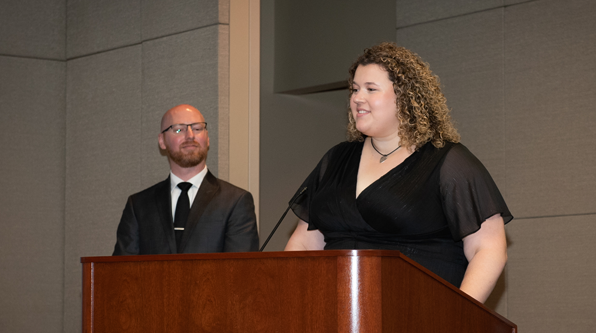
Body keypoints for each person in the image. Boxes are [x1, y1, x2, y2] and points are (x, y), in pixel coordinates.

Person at [285, 43, 512, 303]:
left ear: (405, 97)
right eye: (355, 89)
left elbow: (489, 249)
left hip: (418, 318)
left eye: (371, 89)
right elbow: (303, 244)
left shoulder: (448, 161)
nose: (358, 97)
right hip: (333, 312)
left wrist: (458, 318)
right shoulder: (337, 159)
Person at [113, 104, 259, 255]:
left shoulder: (235, 201)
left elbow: (241, 272)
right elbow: (122, 273)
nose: (190, 136)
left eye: (197, 128)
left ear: (207, 139)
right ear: (162, 141)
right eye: (178, 129)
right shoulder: (138, 205)